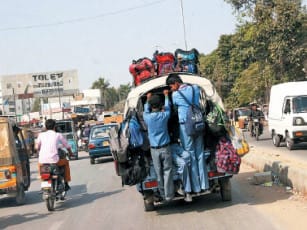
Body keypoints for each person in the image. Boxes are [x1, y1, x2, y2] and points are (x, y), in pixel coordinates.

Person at [166, 73, 209, 193]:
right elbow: (198, 89)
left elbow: (173, 107)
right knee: (199, 153)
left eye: (171, 86)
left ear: (176, 83)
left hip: (186, 127)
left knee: (190, 155)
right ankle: (204, 185)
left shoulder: (175, 95)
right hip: (198, 124)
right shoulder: (194, 88)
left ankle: (196, 187)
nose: (171, 89)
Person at [143, 90, 174, 202]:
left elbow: (145, 110)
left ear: (151, 106)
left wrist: (148, 98)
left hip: (154, 150)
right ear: (160, 105)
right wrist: (166, 96)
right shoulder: (164, 115)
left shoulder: (147, 117)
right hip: (165, 148)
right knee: (168, 171)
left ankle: (161, 193)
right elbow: (168, 107)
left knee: (158, 173)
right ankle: (169, 195)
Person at [36, 119, 73, 191]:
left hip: (42, 161)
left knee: (40, 167)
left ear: (46, 127)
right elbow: (67, 146)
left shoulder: (41, 135)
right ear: (54, 127)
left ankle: (43, 183)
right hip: (54, 161)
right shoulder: (58, 135)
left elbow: (36, 147)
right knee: (66, 162)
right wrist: (71, 153)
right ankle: (66, 183)